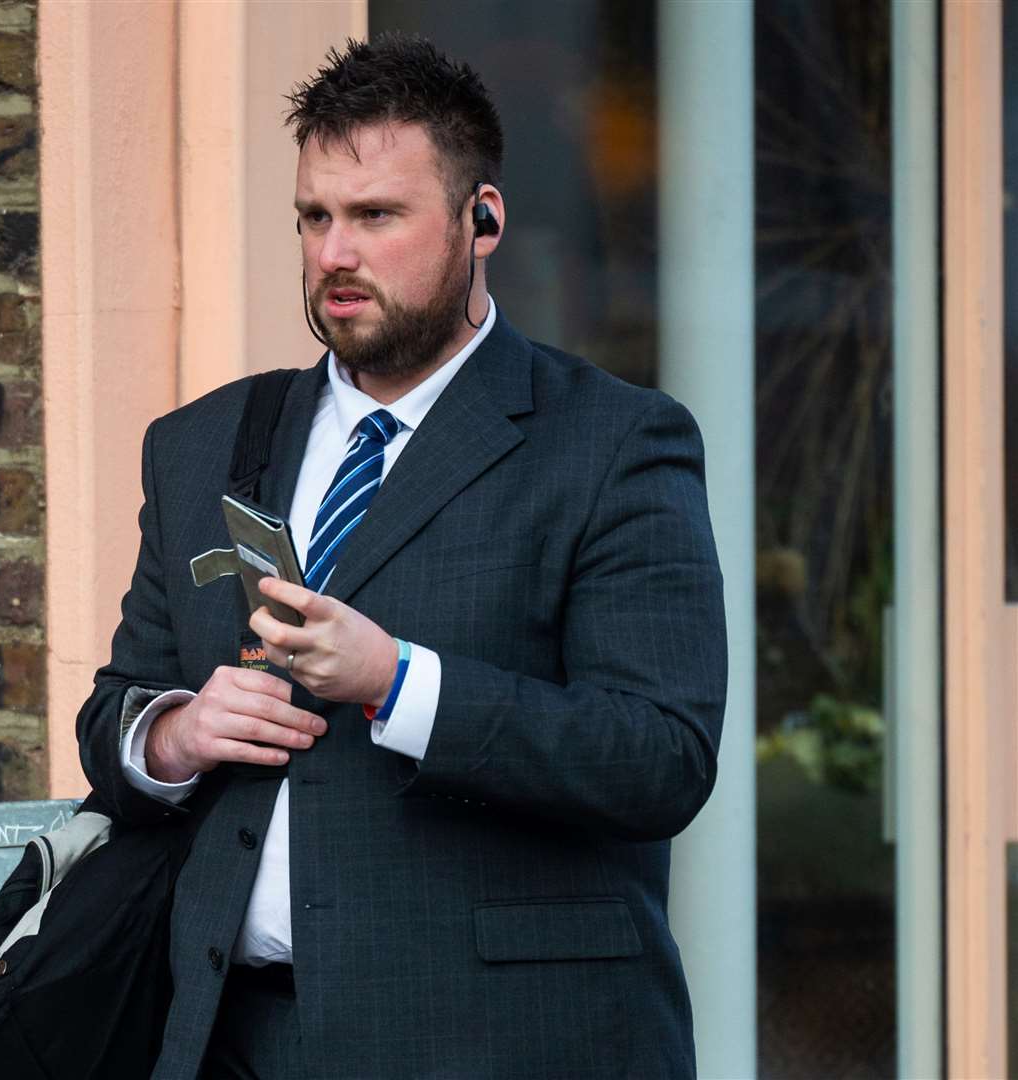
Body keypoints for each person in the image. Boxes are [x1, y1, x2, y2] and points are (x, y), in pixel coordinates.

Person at [76, 33, 726, 1080]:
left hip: (501, 1045)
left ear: (484, 221)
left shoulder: (611, 442)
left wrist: (398, 684)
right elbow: (114, 711)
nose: (336, 253)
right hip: (227, 1040)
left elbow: (660, 756)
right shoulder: (203, 445)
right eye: (315, 217)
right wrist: (177, 733)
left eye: (377, 216)